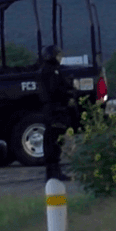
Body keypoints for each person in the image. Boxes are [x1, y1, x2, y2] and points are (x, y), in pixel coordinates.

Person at [37, 45, 74, 180]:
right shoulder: (51, 72)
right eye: (58, 55)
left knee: (54, 143)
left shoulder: (48, 71)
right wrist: (67, 92)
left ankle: (54, 173)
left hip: (52, 110)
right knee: (53, 143)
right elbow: (54, 91)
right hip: (55, 111)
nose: (60, 58)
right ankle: (53, 174)